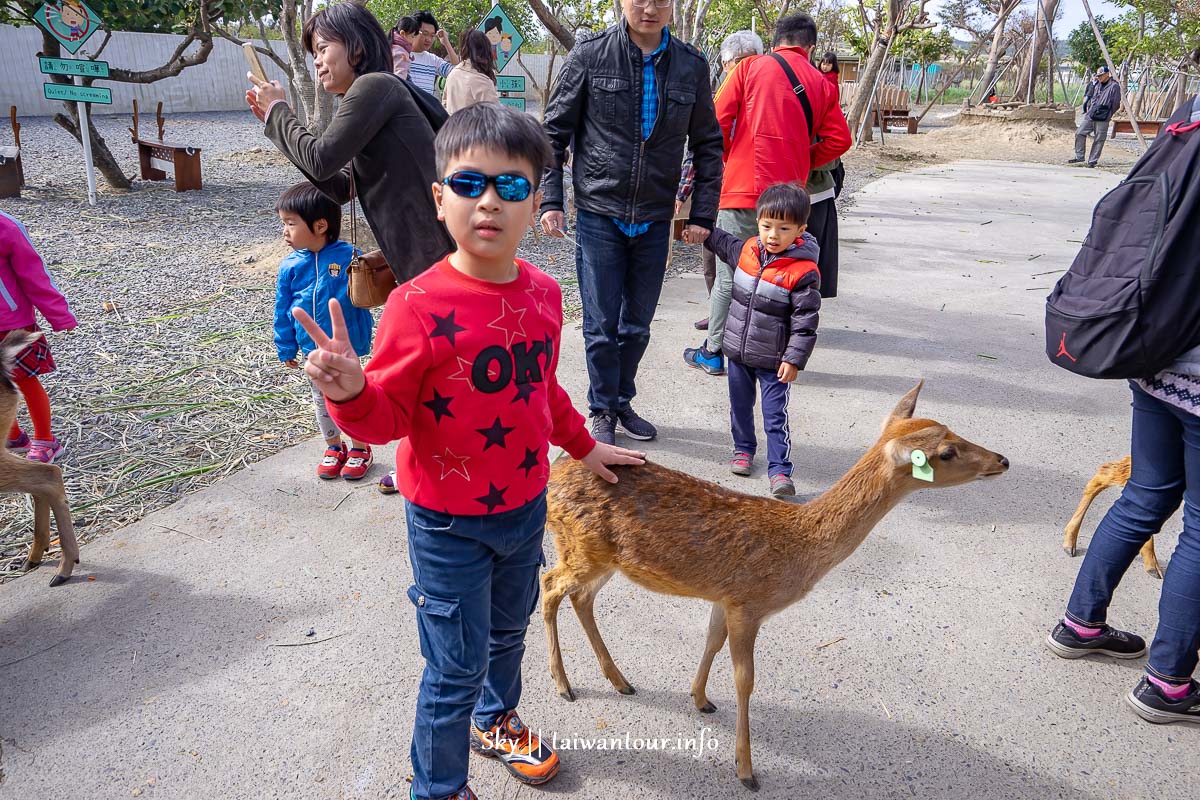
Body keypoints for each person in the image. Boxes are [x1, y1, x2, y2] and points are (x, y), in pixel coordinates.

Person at [296, 103, 646, 800]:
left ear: (537, 201)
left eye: (511, 186)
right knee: (453, 666)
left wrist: (586, 447)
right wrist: (349, 391)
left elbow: (542, 391)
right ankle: (439, 785)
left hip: (525, 510)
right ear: (438, 198)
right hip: (447, 525)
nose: (488, 201)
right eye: (468, 184)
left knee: (508, 633)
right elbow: (385, 420)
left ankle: (496, 719)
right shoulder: (415, 306)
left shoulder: (545, 295)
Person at [1046, 89, 1200, 727]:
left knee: (1145, 496)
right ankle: (1166, 682)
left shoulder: (1185, 124)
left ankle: (1080, 623)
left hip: (1152, 355)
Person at [541, 0, 724, 446]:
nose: (650, 8)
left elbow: (708, 145)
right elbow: (552, 134)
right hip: (600, 212)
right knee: (601, 324)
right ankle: (602, 408)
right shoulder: (590, 55)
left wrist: (702, 214)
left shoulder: (690, 65)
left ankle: (622, 398)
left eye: (661, 0)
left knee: (637, 326)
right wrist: (551, 198)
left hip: (655, 217)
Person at [683, 13, 850, 377]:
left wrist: (732, 155)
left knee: (731, 277)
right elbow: (840, 141)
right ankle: (775, 356)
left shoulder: (747, 70)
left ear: (775, 40)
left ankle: (713, 352)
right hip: (788, 201)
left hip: (742, 191)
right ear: (810, 47)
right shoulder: (822, 83)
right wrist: (801, 163)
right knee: (781, 278)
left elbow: (714, 123)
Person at [246, 2, 454, 287]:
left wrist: (278, 112)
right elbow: (341, 187)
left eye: (322, 48)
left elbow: (320, 160)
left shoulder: (374, 87)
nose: (316, 61)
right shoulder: (379, 90)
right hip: (425, 253)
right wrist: (275, 121)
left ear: (356, 47)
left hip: (433, 255)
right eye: (313, 54)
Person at [701, 183, 820, 497]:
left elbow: (805, 323)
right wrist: (698, 229)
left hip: (774, 361)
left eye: (783, 228)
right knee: (739, 408)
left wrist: (794, 359)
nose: (773, 235)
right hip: (738, 355)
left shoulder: (803, 272)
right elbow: (721, 241)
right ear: (758, 222)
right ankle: (743, 449)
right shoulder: (748, 251)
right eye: (767, 226)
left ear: (800, 230)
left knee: (774, 416)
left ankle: (780, 470)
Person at [273, 183, 375, 481]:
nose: (285, 231)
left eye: (290, 223)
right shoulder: (290, 266)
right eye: (284, 224)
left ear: (320, 225)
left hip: (349, 347)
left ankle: (360, 447)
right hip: (312, 350)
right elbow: (283, 310)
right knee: (321, 399)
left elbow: (365, 295)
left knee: (352, 396)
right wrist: (286, 346)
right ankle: (334, 447)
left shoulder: (349, 256)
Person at [675, 29, 764, 333]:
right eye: (734, 63)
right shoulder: (729, 92)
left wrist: (685, 187)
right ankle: (718, 314)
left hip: (736, 190)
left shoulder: (743, 90)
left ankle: (725, 332)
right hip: (733, 189)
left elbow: (705, 148)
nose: (737, 68)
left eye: (742, 61)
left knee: (732, 264)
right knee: (714, 257)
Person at [0, 211, 76, 464]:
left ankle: (45, 439)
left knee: (26, 381)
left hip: (11, 324)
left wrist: (59, 315)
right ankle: (12, 434)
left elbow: (34, 275)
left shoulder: (7, 227)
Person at [1070, 65, 1121, 168]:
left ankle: (1092, 161)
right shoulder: (1097, 85)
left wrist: (1109, 113)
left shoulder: (1114, 86)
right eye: (1098, 76)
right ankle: (1079, 156)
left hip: (1104, 116)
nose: (1100, 77)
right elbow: (1093, 98)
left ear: (1107, 74)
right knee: (1080, 132)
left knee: (1099, 138)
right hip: (1092, 114)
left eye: (1101, 75)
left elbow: (1116, 103)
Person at [442, 29, 498, 114]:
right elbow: (494, 118)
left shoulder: (452, 75)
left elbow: (445, 105)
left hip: (452, 126)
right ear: (486, 51)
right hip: (475, 127)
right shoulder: (482, 82)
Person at [408, 9, 460, 96]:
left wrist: (446, 43)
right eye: (425, 33)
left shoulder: (433, 60)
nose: (428, 39)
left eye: (432, 35)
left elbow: (456, 71)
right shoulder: (399, 56)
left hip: (426, 108)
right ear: (414, 31)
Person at [390, 15, 418, 80]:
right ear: (402, 33)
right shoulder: (401, 52)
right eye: (412, 36)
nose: (414, 40)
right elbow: (400, 74)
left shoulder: (391, 45)